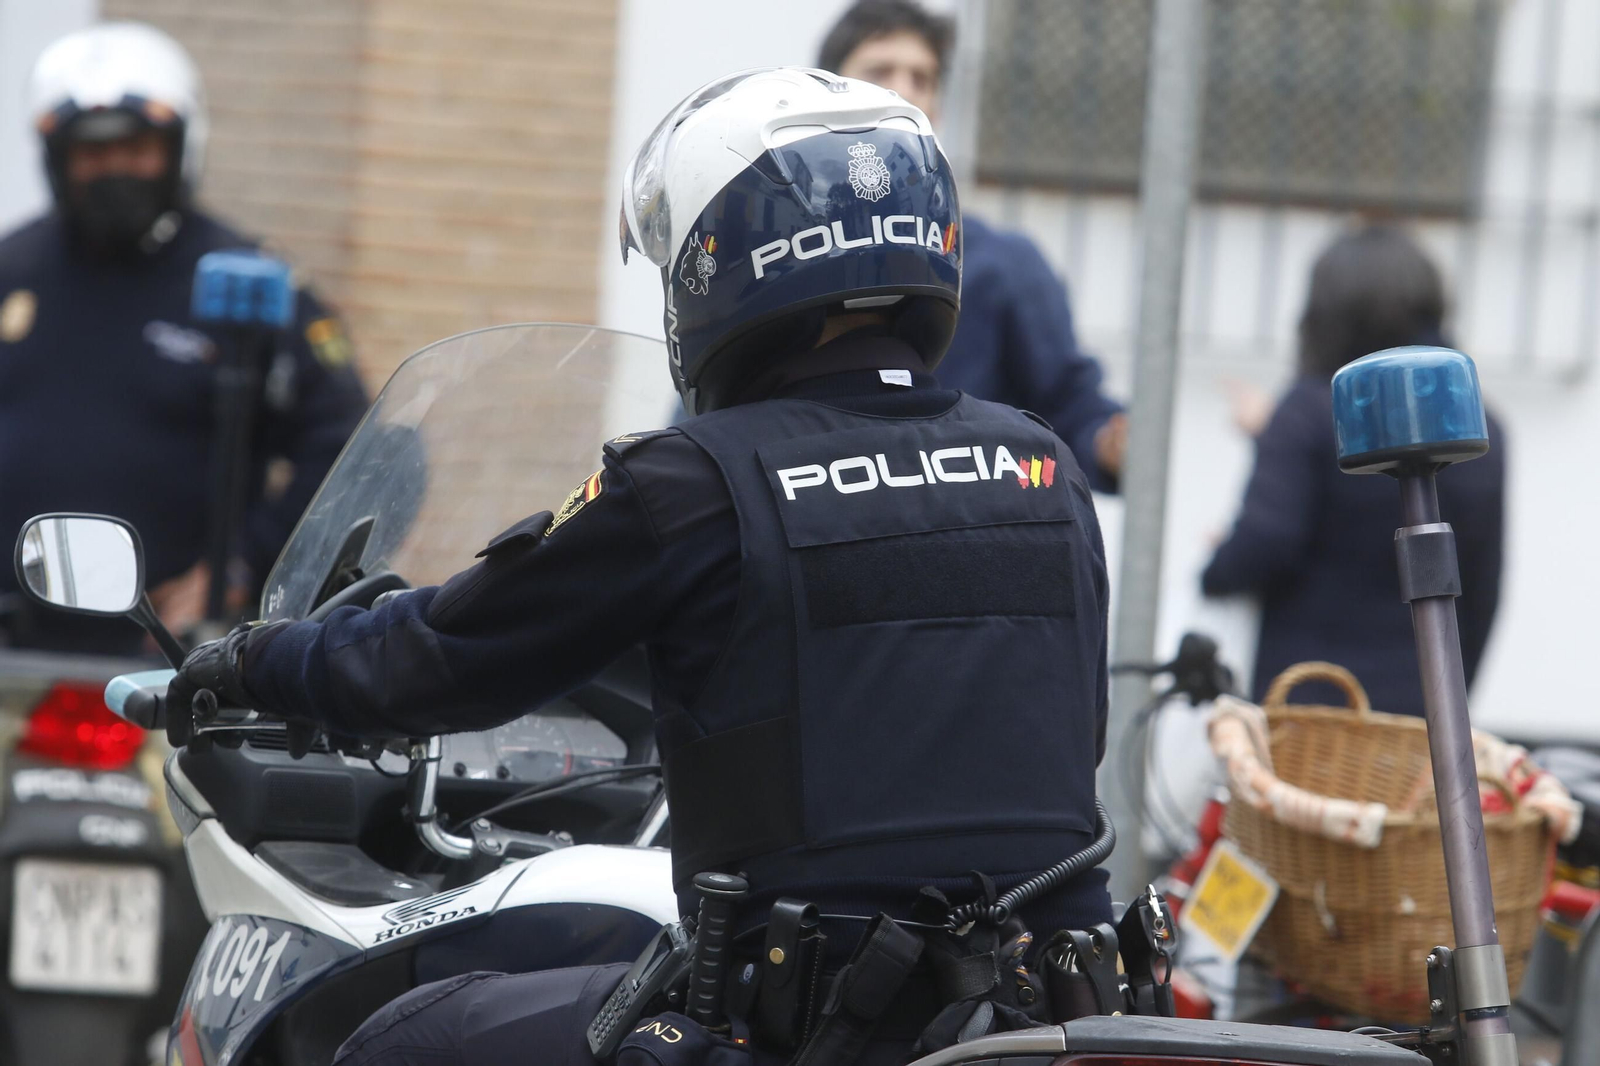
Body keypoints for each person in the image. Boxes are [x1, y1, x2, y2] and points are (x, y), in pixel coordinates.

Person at [169, 68, 1115, 1065]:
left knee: (400, 1040)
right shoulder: (1041, 467)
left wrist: (256, 660)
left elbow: (442, 656)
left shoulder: (696, 482)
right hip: (1051, 1017)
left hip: (802, 1028)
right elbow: (1062, 738)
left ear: (725, 259)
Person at [0, 22, 368, 654]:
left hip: (173, 660)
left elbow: (357, 449)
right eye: (92, 152)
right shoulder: (12, 270)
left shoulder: (253, 286)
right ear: (58, 158)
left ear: (179, 148)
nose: (114, 169)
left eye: (137, 147)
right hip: (14, 649)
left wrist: (245, 570)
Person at [818, 0, 1128, 491]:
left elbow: (1071, 412)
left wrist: (1113, 444)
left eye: (924, 78)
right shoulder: (777, 254)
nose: (904, 90)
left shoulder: (1005, 266)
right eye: (880, 71)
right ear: (824, 95)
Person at [1201, 225, 1506, 716]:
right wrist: (1451, 692)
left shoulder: (1306, 411)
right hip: (1424, 705)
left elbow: (1265, 543)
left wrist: (1214, 570)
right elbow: (1484, 587)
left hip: (1311, 707)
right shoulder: (1477, 422)